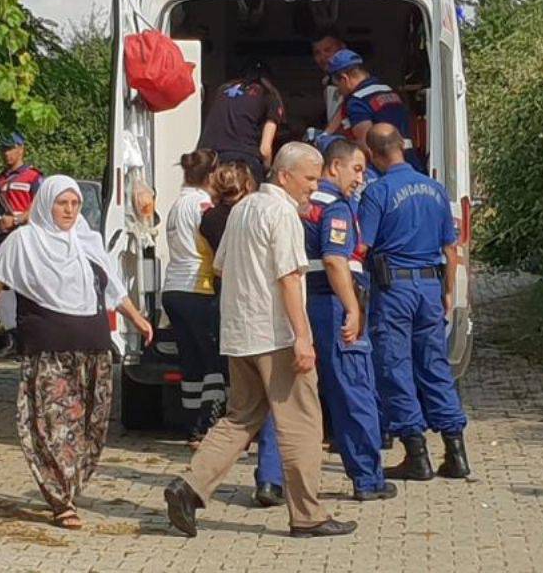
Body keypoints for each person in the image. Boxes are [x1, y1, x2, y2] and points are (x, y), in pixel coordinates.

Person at [163, 142, 356, 539]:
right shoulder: (282, 214)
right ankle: (308, 515)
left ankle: (189, 487)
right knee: (302, 423)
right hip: (276, 335)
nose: (313, 187)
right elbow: (289, 278)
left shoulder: (243, 209)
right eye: (309, 178)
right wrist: (303, 337)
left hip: (240, 333)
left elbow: (221, 266)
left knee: (240, 418)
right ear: (284, 176)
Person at [0, 175, 153, 529]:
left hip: (93, 349)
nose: (68, 210)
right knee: (51, 424)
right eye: (61, 203)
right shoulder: (24, 242)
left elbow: (111, 288)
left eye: (74, 204)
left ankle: (69, 486)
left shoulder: (88, 242)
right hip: (48, 349)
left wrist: (138, 319)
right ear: (46, 204)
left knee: (88, 428)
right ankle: (60, 499)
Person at [358, 124, 470, 480]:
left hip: (394, 292)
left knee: (396, 368)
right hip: (429, 288)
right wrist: (448, 292)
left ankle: (416, 455)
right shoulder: (436, 190)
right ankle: (456, 453)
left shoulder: (377, 193)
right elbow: (450, 250)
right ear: (402, 147)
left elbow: (363, 246)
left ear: (372, 154)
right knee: (435, 366)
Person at [301, 138, 397, 500]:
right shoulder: (336, 207)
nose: (360, 179)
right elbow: (335, 260)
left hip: (299, 302)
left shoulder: (297, 202)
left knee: (289, 394)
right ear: (333, 166)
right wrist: (353, 309)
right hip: (334, 304)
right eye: (356, 170)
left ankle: (272, 479)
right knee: (354, 387)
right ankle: (368, 478)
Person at [199, 162, 284, 508]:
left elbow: (218, 266)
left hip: (233, 314)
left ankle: (194, 481)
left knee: (242, 411)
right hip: (268, 319)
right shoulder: (262, 212)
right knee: (281, 406)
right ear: (249, 183)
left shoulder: (211, 219)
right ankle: (273, 481)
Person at [162, 149, 226, 448]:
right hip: (198, 287)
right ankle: (207, 425)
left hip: (173, 288)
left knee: (190, 362)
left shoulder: (177, 205)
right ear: (211, 175)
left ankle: (190, 424)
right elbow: (213, 243)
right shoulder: (202, 205)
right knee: (212, 361)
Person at [0, 132, 44, 360]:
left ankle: (27, 340)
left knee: (25, 287)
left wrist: (16, 220)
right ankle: (11, 337)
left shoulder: (33, 177)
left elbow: (39, 208)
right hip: (2, 237)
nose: (6, 154)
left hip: (24, 236)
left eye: (10, 148)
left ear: (21, 149)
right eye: (3, 149)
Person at [325, 49, 424, 172]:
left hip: (386, 169)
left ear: (345, 79)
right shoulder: (388, 90)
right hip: (411, 162)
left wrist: (339, 145)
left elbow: (366, 145)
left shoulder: (357, 102)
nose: (339, 91)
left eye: (337, 86)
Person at [197, 61, 285, 184]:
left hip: (209, 159)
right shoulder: (269, 94)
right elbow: (265, 149)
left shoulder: (222, 90)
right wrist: (267, 173)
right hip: (242, 163)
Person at [311, 33, 346, 126]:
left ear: (342, 49)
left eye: (328, 50)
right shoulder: (326, 81)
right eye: (317, 53)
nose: (322, 58)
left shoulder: (355, 81)